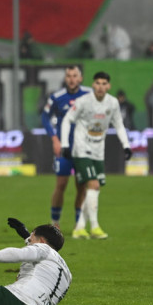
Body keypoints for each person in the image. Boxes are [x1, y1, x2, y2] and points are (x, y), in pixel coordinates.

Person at [60, 71, 131, 240]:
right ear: (93, 84)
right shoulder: (83, 101)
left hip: (99, 151)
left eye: (104, 83)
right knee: (93, 185)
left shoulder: (112, 103)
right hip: (81, 148)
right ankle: (95, 227)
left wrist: (126, 145)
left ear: (109, 86)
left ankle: (79, 227)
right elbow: (67, 120)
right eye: (98, 83)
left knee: (94, 188)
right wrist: (65, 144)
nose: (100, 87)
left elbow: (119, 124)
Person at [40, 65, 92, 230]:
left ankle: (79, 224)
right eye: (69, 76)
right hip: (64, 149)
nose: (71, 79)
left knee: (81, 187)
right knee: (61, 185)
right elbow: (45, 117)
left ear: (80, 78)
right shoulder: (57, 97)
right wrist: (54, 139)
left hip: (83, 149)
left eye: (74, 76)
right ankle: (55, 222)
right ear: (65, 78)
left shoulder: (89, 94)